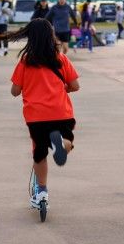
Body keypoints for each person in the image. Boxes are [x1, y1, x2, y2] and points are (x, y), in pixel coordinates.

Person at [8, 18, 80, 209]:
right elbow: (75, 85)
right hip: (61, 112)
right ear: (51, 36)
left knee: (39, 154)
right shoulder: (61, 58)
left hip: (36, 116)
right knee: (67, 140)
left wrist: (26, 87)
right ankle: (63, 144)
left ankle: (41, 192)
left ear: (30, 37)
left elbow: (15, 90)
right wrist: (63, 87)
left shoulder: (26, 61)